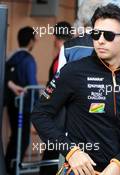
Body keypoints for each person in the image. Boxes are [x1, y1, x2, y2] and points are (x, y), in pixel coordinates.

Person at [31, 4, 120, 175]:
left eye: (109, 35)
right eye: (96, 34)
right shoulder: (73, 71)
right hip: (77, 170)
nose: (100, 40)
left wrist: (118, 164)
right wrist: (71, 152)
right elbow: (40, 114)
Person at [39, 21, 72, 175]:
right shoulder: (70, 54)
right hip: (63, 115)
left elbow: (57, 88)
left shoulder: (61, 57)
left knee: (52, 154)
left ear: (54, 37)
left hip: (58, 115)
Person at [4, 26, 38, 175]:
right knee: (22, 139)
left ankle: (8, 167)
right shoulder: (28, 59)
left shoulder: (11, 57)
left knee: (14, 137)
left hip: (12, 104)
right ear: (31, 41)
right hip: (24, 106)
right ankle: (12, 168)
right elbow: (32, 84)